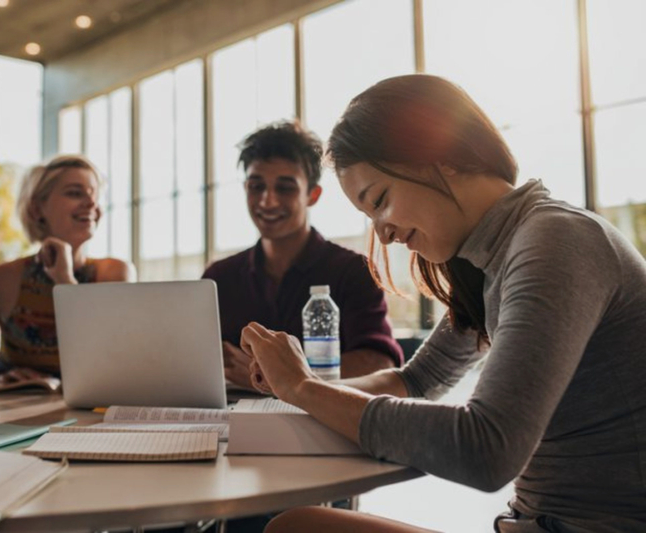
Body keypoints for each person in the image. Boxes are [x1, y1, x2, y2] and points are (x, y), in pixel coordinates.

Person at [239, 75, 646, 533]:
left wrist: (304, 390)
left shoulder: (556, 242)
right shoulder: (491, 255)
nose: (384, 234)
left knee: (295, 530)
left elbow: (486, 449)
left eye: (381, 201)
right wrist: (296, 389)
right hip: (534, 522)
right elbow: (418, 379)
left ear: (443, 157)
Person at [203, 121, 402, 393]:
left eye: (285, 188)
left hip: (323, 424)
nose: (267, 201)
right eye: (256, 186)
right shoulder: (219, 278)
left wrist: (274, 374)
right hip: (231, 423)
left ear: (313, 195)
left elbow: (380, 363)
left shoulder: (353, 271)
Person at [0, 155, 135, 384]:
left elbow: (106, 349)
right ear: (36, 209)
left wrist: (64, 279)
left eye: (94, 195)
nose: (91, 204)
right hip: (16, 408)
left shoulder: (115, 274)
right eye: (75, 193)